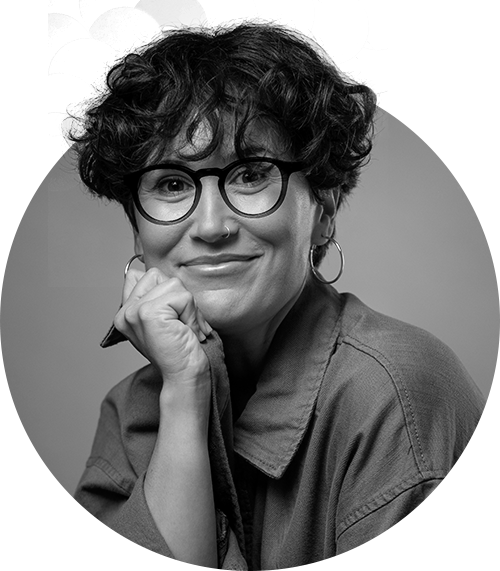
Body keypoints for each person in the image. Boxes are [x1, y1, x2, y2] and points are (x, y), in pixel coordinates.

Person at [61, 17, 485, 570]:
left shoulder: (397, 395)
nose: (211, 226)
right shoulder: (133, 407)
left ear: (323, 211)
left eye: (251, 175)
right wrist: (185, 392)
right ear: (138, 231)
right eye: (171, 183)